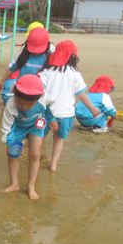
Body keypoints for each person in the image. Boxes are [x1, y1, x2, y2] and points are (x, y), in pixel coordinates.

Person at [39, 40, 100, 172]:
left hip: (45, 113)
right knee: (59, 139)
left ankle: (36, 157)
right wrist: (93, 109)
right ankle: (53, 165)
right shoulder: (75, 74)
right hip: (65, 114)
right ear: (74, 57)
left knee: (40, 137)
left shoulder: (46, 72)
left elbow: (39, 92)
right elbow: (82, 95)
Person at [1, 74, 56, 200]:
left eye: (29, 105)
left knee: (35, 154)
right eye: (20, 103)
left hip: (36, 126)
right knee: (12, 154)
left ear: (39, 97)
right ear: (15, 95)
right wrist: (11, 143)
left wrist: (52, 119)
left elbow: (48, 108)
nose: (24, 107)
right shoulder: (10, 105)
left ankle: (31, 186)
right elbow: (6, 128)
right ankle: (14, 184)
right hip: (17, 128)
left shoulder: (45, 98)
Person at [0, 27, 52, 94]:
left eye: (38, 49)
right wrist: (2, 81)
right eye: (33, 48)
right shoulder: (24, 54)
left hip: (38, 92)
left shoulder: (49, 56)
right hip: (21, 89)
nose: (35, 52)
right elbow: (11, 69)